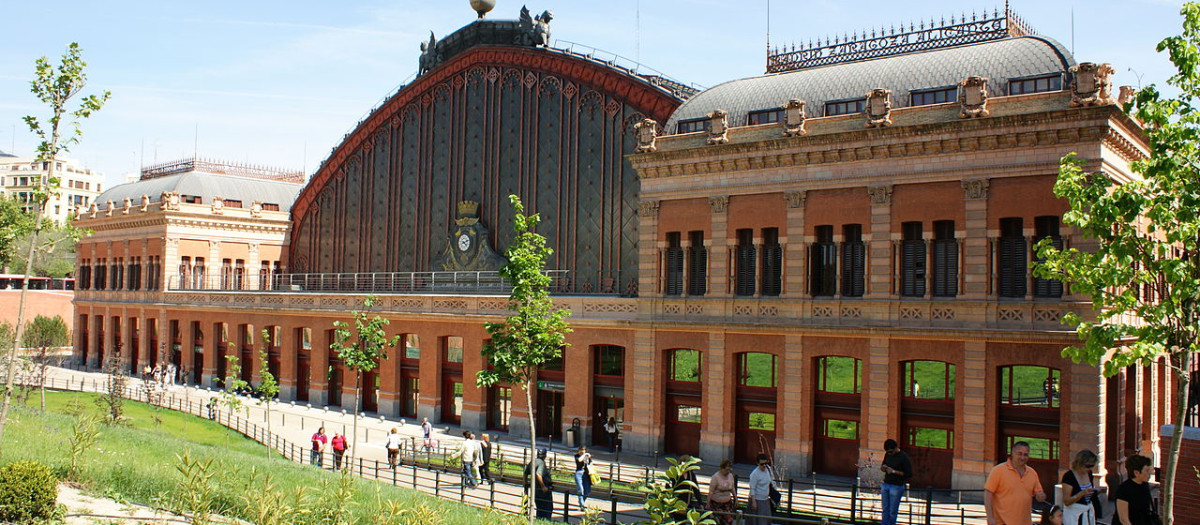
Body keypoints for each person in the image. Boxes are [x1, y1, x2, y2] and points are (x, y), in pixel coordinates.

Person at [985, 441, 1047, 525]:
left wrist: (1041, 496)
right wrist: (990, 517)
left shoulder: (1032, 473)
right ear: (1012, 453)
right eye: (1020, 454)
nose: (1022, 457)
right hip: (1002, 522)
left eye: (1025, 454)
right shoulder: (998, 471)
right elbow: (988, 494)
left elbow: (1039, 493)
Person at [880, 438, 914, 525]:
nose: (889, 454)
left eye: (891, 452)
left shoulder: (903, 457)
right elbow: (883, 465)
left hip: (897, 486)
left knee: (892, 510)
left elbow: (908, 474)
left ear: (895, 448)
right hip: (886, 483)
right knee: (885, 508)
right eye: (888, 452)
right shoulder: (887, 455)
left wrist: (894, 471)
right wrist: (884, 468)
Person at [1061, 449, 1099, 525]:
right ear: (1080, 464)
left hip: (1087, 511)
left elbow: (1089, 494)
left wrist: (1096, 491)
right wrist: (1081, 493)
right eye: (1088, 466)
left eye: (1092, 466)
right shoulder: (1069, 476)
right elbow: (1066, 501)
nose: (1090, 469)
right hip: (1074, 515)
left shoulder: (1089, 474)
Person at [1115, 454, 1155, 525]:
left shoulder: (1145, 485)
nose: (1150, 473)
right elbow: (1124, 519)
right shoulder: (1124, 490)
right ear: (1136, 473)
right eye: (1147, 470)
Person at [747, 453, 778, 525]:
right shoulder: (754, 474)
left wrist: (775, 491)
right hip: (757, 500)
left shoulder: (768, 469)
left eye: (766, 463)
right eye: (762, 464)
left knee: (766, 520)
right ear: (757, 463)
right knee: (758, 521)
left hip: (766, 500)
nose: (764, 466)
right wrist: (754, 502)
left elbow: (772, 481)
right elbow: (752, 488)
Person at [525, 447, 553, 519]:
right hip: (542, 490)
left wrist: (525, 483)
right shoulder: (541, 463)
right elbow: (538, 474)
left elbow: (525, 473)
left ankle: (539, 520)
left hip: (535, 489)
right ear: (545, 455)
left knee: (539, 508)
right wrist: (543, 486)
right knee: (547, 508)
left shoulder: (533, 461)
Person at [706, 459, 737, 525]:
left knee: (729, 521)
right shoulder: (715, 477)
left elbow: (732, 488)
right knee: (719, 522)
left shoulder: (730, 476)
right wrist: (708, 503)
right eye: (726, 470)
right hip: (717, 504)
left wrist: (735, 499)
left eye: (729, 470)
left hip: (727, 503)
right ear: (722, 468)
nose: (728, 472)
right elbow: (711, 491)